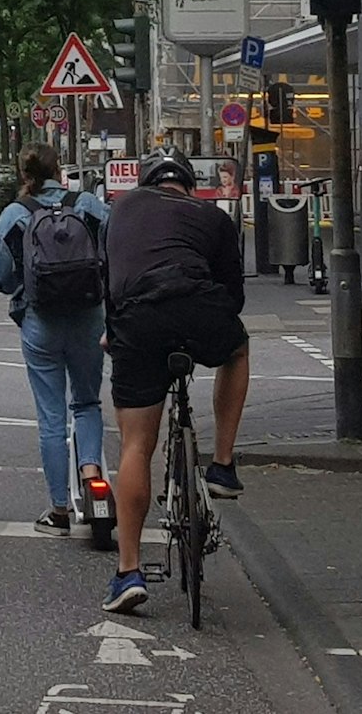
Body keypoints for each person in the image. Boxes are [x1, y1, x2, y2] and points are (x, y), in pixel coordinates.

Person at [101, 146, 250, 614]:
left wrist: (111, 331)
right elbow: (234, 296)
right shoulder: (212, 217)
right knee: (237, 349)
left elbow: (110, 281)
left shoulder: (120, 210)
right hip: (196, 305)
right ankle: (222, 465)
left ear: (144, 183)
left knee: (136, 446)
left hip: (137, 320)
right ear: (188, 186)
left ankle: (128, 572)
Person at [0, 143, 112, 536]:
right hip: (88, 318)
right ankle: (92, 476)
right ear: (59, 170)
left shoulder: (16, 214)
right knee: (87, 402)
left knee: (51, 416)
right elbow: (114, 252)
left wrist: (24, 284)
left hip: (40, 322)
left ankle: (59, 510)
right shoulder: (87, 205)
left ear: (24, 175)